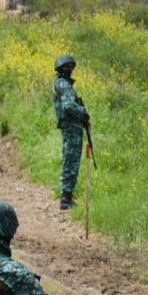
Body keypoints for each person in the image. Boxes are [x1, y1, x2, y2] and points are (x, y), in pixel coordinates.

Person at [52, 54, 89, 210]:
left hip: (69, 128)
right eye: (66, 67)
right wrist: (83, 112)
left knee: (70, 159)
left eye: (71, 67)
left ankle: (67, 195)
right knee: (71, 160)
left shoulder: (60, 83)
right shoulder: (65, 85)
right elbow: (68, 106)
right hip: (71, 128)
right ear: (61, 69)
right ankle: (66, 198)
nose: (69, 70)